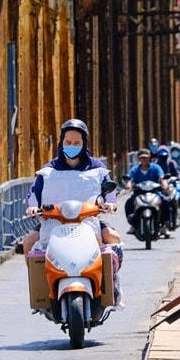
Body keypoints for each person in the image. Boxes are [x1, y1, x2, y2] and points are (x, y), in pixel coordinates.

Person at [21, 118, 123, 304]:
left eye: (77, 143)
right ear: (62, 142)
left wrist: (110, 203)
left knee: (113, 237)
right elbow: (34, 192)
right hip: (54, 221)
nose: (72, 146)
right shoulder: (48, 170)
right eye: (68, 142)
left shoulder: (97, 167)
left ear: (84, 143)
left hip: (87, 220)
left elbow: (109, 190)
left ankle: (111, 284)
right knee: (28, 243)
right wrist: (33, 206)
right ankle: (40, 289)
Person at [125, 148, 171, 236]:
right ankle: (133, 225)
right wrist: (129, 184)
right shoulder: (135, 169)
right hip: (138, 194)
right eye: (142, 158)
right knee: (128, 203)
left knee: (166, 201)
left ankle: (163, 225)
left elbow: (162, 178)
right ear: (138, 159)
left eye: (146, 158)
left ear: (149, 158)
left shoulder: (156, 168)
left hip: (155, 193)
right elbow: (130, 178)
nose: (144, 160)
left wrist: (164, 184)